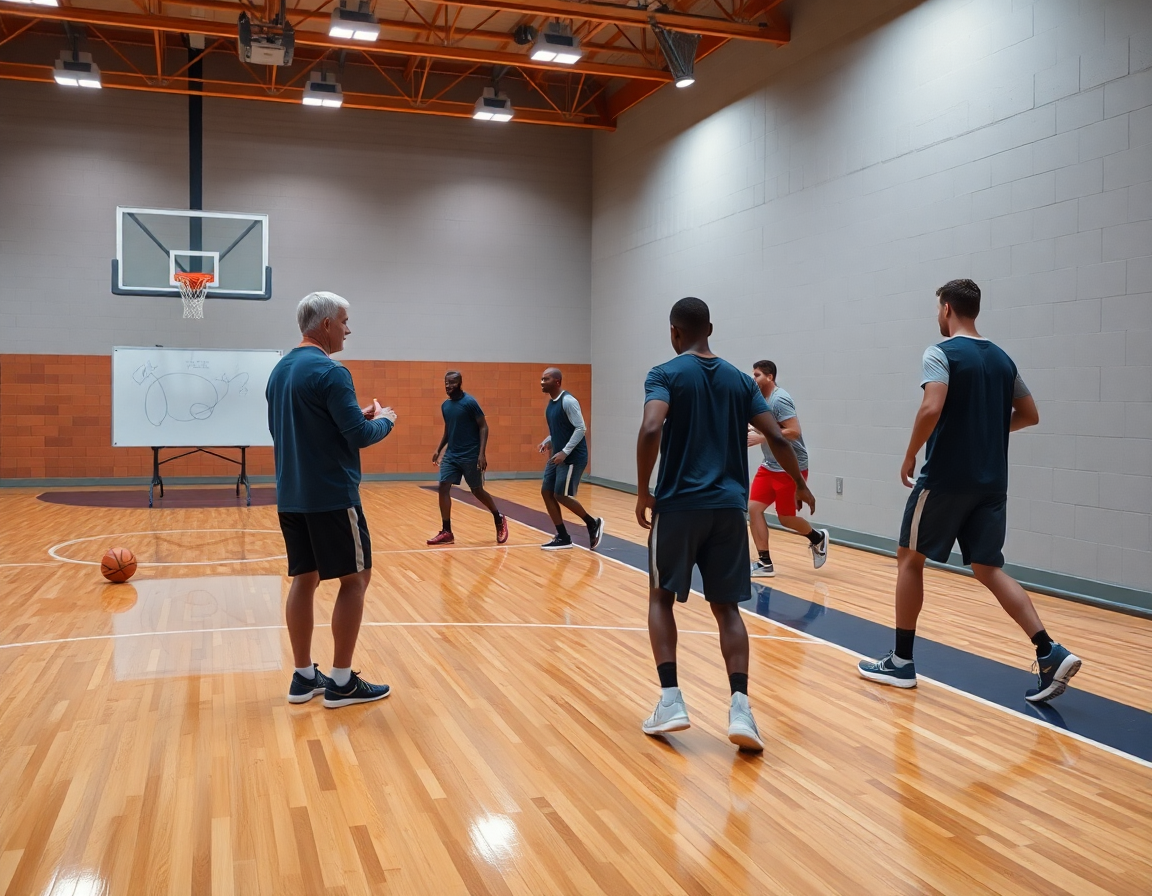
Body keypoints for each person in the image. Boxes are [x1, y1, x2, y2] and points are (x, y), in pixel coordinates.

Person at [858, 279, 1081, 703]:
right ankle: (1048, 651)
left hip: (945, 478)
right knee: (987, 567)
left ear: (946, 309)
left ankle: (901, 662)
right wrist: (988, 428)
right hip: (992, 482)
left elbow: (931, 406)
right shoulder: (1002, 360)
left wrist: (910, 454)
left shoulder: (940, 352)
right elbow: (1029, 414)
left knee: (909, 558)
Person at [636, 297, 815, 751]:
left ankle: (672, 700)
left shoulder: (664, 374)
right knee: (728, 609)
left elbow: (652, 427)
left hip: (678, 507)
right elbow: (776, 434)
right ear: (710, 327)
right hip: (728, 510)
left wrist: (642, 490)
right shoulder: (740, 380)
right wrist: (799, 484)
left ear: (673, 332)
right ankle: (741, 710)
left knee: (661, 598)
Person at [267, 291, 397, 708]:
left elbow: (308, 428)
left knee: (304, 580)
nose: (348, 328)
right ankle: (341, 682)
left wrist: (355, 415)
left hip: (291, 494)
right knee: (355, 579)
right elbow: (358, 436)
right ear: (325, 325)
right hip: (332, 495)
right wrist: (386, 423)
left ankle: (304, 677)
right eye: (343, 321)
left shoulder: (280, 370)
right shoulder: (331, 372)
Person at [746, 360, 829, 576]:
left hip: (790, 468)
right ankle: (765, 563)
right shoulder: (760, 400)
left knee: (785, 518)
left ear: (770, 377)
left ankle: (817, 537)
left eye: (757, 375)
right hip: (769, 466)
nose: (753, 379)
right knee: (753, 509)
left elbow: (793, 431)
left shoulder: (779, 399)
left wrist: (762, 437)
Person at [427, 371, 509, 546]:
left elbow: (484, 427)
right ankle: (447, 531)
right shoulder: (445, 406)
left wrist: (482, 453)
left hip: (470, 454)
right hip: (451, 455)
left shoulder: (470, 403)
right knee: (443, 486)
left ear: (460, 383)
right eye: (446, 383)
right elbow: (449, 430)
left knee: (477, 491)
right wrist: (439, 449)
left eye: (452, 383)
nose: (448, 386)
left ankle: (498, 518)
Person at [536, 367, 604, 551]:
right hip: (557, 455)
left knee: (560, 495)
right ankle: (563, 537)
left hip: (572, 457)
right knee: (546, 492)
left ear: (557, 382)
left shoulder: (568, 401)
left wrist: (565, 452)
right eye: (542, 379)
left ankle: (592, 523)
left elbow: (580, 428)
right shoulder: (551, 404)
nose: (542, 382)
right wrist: (548, 442)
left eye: (546, 379)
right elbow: (558, 430)